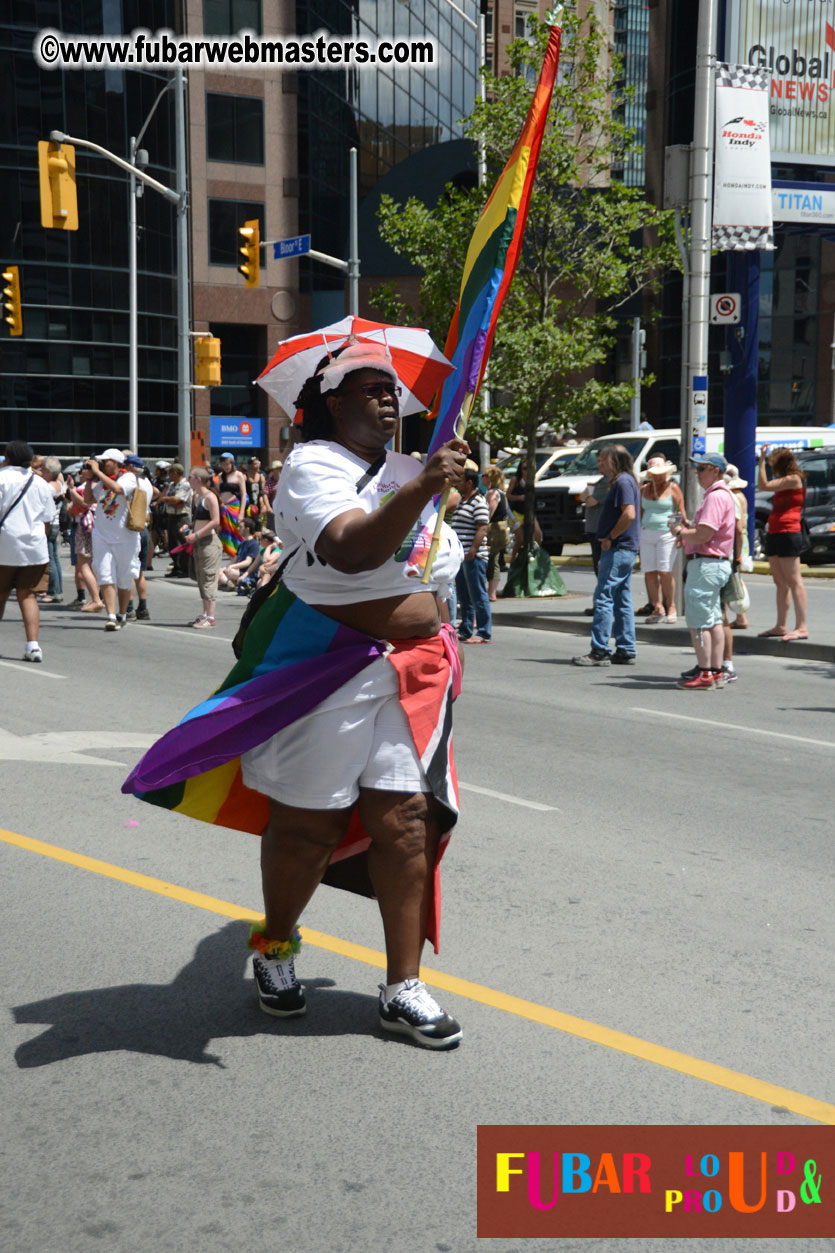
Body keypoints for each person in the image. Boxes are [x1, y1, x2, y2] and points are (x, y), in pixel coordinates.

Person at [124, 341, 467, 1049]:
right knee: (308, 826)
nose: (384, 397)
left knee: (406, 820)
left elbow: (427, 567)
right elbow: (349, 549)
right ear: (332, 403)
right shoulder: (314, 466)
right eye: (367, 387)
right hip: (326, 667)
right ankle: (275, 947)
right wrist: (423, 489)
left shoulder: (415, 469)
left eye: (390, 388)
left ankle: (402, 985)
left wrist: (442, 496)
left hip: (416, 670)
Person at [669, 453, 735, 690]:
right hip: (713, 562)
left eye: (701, 469)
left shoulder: (715, 497)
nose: (697, 474)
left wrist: (680, 532)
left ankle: (706, 672)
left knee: (699, 622)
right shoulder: (721, 494)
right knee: (713, 620)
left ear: (715, 471)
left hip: (707, 563)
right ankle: (715, 671)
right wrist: (688, 535)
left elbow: (705, 534)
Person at [572, 444, 640, 667]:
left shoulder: (622, 482)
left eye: (603, 459)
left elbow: (628, 514)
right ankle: (625, 647)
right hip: (623, 548)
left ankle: (600, 650)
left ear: (615, 461)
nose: (599, 463)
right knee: (621, 598)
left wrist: (610, 536)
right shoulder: (625, 481)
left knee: (604, 596)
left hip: (618, 548)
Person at [0, 441, 57, 662]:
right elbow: (47, 519)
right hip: (34, 548)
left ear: (9, 457)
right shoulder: (40, 483)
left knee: (1, 593)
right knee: (28, 594)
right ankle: (33, 646)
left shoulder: (2, 478)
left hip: (5, 545)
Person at [84, 448, 141, 632]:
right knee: (105, 574)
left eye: (105, 461)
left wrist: (98, 473)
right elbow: (87, 499)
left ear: (116, 463)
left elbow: (117, 489)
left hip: (125, 537)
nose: (101, 464)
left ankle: (122, 614)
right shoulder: (101, 481)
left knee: (124, 578)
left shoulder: (128, 478)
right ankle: (110, 615)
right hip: (102, 535)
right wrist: (89, 479)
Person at [757, 444, 809, 642]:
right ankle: (781, 625)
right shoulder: (785, 480)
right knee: (780, 582)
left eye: (772, 465)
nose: (771, 469)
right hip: (775, 531)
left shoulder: (794, 479)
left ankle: (802, 627)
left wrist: (761, 460)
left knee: (794, 581)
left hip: (789, 532)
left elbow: (763, 486)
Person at [639, 455, 686, 623]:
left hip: (667, 533)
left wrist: (681, 533)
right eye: (655, 474)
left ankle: (670, 605)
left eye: (661, 473)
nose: (658, 476)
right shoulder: (643, 489)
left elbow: (680, 512)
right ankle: (657, 606)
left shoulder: (673, 488)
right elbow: (641, 513)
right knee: (650, 571)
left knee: (664, 570)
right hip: (647, 533)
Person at [451, 466, 492, 644]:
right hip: (462, 556)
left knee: (477, 594)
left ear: (469, 483)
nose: (457, 484)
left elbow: (482, 527)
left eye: (460, 481)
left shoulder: (479, 502)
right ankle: (466, 629)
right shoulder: (463, 500)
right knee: (464, 595)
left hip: (473, 556)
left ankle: (484, 632)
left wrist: (473, 550)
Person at [182, 466, 222, 627]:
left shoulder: (210, 497)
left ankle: (210, 617)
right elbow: (199, 520)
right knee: (201, 578)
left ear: (198, 479)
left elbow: (215, 521)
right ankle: (205, 613)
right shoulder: (196, 497)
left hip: (209, 543)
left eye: (190, 477)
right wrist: (189, 528)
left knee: (209, 579)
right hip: (198, 543)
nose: (188, 479)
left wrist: (197, 535)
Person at [65, 464, 105, 613]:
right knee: (96, 564)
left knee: (83, 565)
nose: (81, 473)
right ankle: (96, 597)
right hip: (99, 526)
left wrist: (71, 490)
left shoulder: (90, 486)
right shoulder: (104, 484)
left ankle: (96, 598)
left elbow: (84, 503)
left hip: (85, 526)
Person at [724, 462, 750, 632]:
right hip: (741, 540)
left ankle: (732, 616)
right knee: (733, 579)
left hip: (735, 542)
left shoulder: (734, 497)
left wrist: (738, 553)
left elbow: (737, 528)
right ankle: (740, 616)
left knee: (729, 579)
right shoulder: (741, 495)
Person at [36, 456, 65, 604]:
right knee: (55, 557)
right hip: (56, 523)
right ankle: (57, 590)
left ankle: (53, 591)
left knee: (50, 559)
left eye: (43, 469)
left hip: (48, 524)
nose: (40, 471)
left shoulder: (47, 487)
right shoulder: (59, 484)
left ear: (48, 471)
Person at [157, 463, 193, 578]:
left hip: (182, 517)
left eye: (170, 473)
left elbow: (177, 500)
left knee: (183, 542)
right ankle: (176, 567)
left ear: (175, 473)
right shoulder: (172, 485)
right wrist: (169, 500)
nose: (169, 476)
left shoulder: (185, 485)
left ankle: (186, 568)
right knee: (172, 544)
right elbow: (169, 498)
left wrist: (165, 499)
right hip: (171, 516)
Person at [482, 465, 510, 601]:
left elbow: (489, 514)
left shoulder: (492, 494)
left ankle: (490, 592)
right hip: (501, 531)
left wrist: (482, 527)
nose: (482, 478)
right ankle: (491, 592)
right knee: (496, 560)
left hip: (493, 530)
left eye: (484, 475)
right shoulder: (501, 492)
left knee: (490, 560)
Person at [216, 452, 248, 557]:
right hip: (224, 508)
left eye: (227, 464)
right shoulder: (220, 476)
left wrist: (241, 512)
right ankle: (232, 556)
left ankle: (242, 555)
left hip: (235, 507)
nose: (225, 467)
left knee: (237, 533)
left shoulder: (239, 475)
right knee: (226, 535)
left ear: (232, 463)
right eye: (223, 464)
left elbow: (243, 495)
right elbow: (218, 493)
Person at [217, 518, 261, 590]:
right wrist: (224, 568)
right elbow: (234, 560)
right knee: (219, 571)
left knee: (229, 571)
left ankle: (230, 584)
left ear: (247, 529)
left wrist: (233, 566)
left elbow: (248, 562)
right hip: (238, 571)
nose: (238, 528)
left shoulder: (253, 544)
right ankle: (230, 584)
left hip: (247, 573)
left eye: (240, 527)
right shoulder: (242, 544)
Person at [265, 459, 283, 533]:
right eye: (277, 468)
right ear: (273, 470)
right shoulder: (269, 482)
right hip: (273, 510)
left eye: (280, 468)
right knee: (273, 531)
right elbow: (265, 494)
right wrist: (268, 507)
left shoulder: (285, 479)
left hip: (284, 509)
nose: (279, 470)